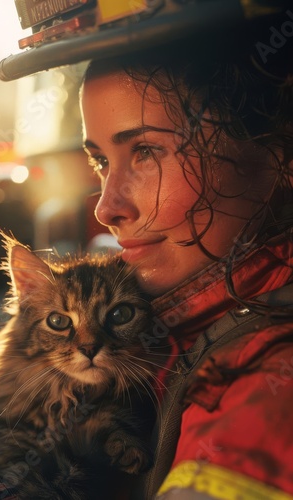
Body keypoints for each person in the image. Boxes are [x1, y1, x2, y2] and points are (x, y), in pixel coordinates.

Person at [79, 16, 293, 500]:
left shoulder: (263, 396)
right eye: (100, 161)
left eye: (147, 152)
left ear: (279, 151)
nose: (107, 208)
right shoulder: (175, 335)